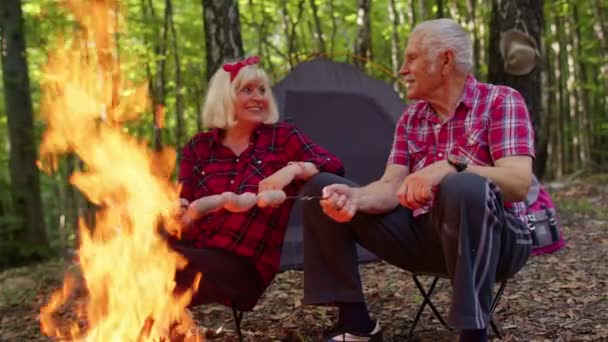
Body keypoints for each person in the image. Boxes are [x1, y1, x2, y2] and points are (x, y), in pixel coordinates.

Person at [300, 19, 534, 342]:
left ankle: (473, 333)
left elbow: (519, 183)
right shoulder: (412, 118)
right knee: (320, 188)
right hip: (428, 236)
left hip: (499, 241)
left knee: (462, 186)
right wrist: (354, 199)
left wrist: (450, 166)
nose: (402, 69)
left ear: (445, 61)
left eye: (412, 58)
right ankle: (357, 324)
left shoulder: (501, 101)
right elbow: (390, 186)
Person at [172, 55, 344, 312]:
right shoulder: (198, 147)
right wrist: (177, 207)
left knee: (160, 265)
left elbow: (332, 165)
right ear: (225, 97)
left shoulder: (282, 137)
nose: (259, 97)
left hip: (243, 267)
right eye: (247, 90)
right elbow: (184, 205)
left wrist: (291, 170)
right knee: (137, 245)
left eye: (262, 90)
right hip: (194, 252)